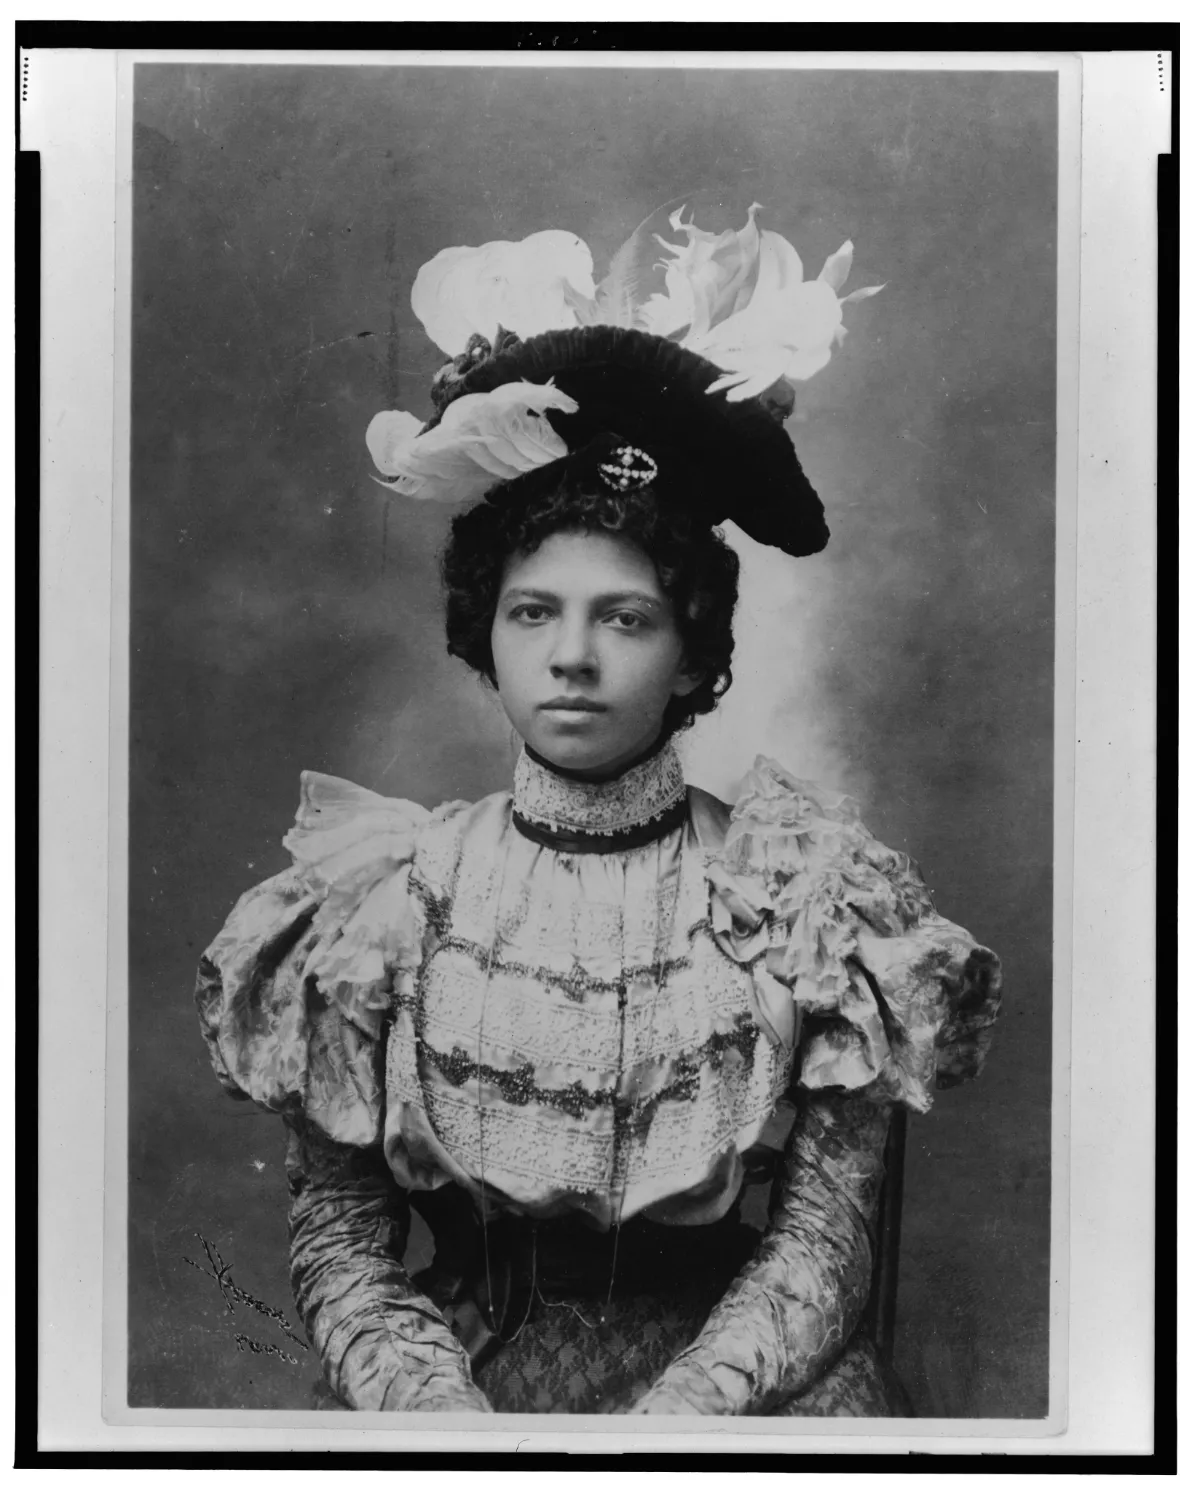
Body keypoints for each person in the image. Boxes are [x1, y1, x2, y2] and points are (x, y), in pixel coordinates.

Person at [196, 208, 1001, 1415]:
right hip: (459, 1395)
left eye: (623, 618)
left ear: (689, 653)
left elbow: (825, 1240)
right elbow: (342, 1242)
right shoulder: (384, 894)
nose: (572, 657)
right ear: (487, 632)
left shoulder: (802, 892)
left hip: (748, 1399)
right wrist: (445, 1423)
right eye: (535, 613)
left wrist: (676, 1428)